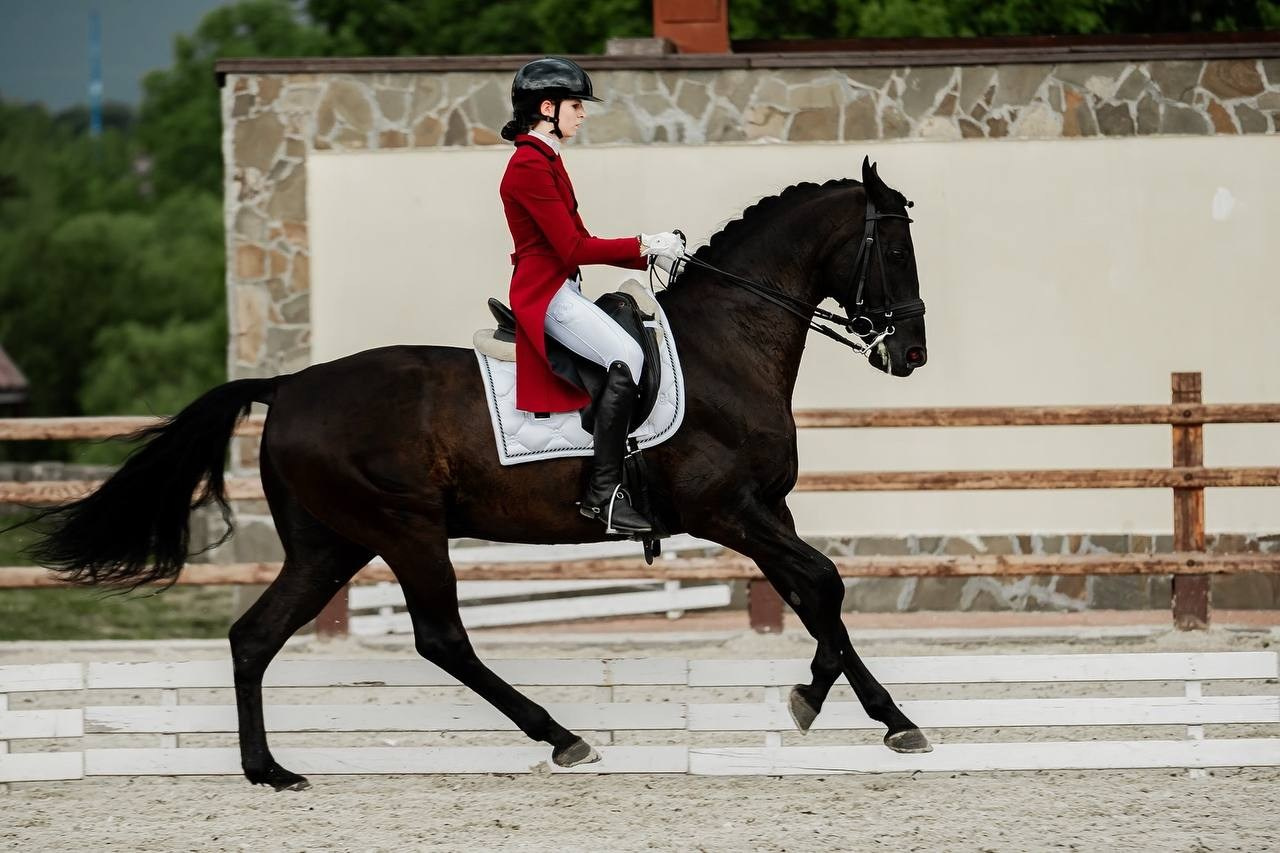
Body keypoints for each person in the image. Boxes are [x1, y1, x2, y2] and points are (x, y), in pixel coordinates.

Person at [499, 56, 684, 536]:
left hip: (562, 285)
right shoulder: (528, 166)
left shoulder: (547, 159)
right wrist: (644, 243)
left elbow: (582, 239)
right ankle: (604, 494)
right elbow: (572, 248)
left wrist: (649, 258)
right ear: (547, 108)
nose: (582, 114)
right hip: (545, 293)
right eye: (575, 105)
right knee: (627, 356)